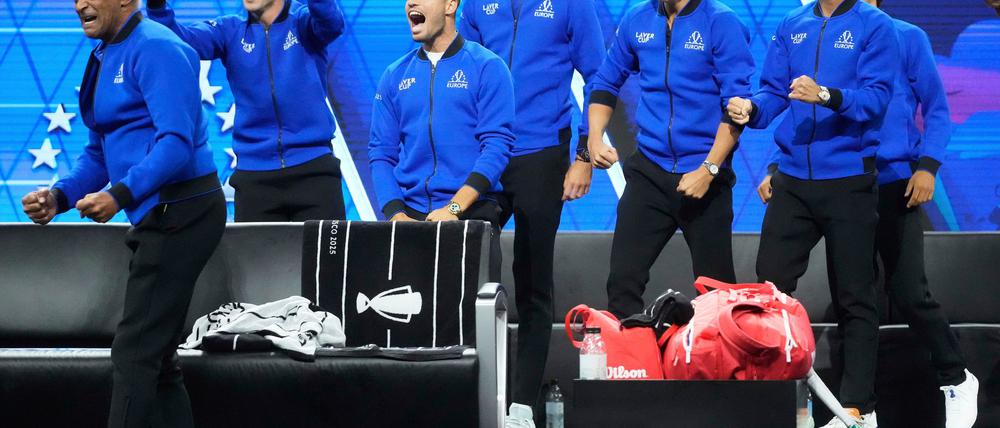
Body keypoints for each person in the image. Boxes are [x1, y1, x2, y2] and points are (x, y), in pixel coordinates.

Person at [21, 2, 225, 426]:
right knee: (157, 357)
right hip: (158, 212)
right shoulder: (102, 54)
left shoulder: (158, 48)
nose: (80, 4)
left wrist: (120, 194)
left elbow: (176, 142)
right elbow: (99, 152)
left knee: (134, 351)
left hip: (185, 210)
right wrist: (59, 197)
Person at [727, 0, 899, 426]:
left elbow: (877, 99)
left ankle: (858, 409)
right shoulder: (793, 23)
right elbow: (772, 91)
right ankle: (768, 399)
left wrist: (825, 95)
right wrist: (752, 110)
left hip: (849, 180)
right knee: (769, 291)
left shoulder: (875, 25)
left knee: (855, 296)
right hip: (793, 181)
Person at [457, 0, 604, 423]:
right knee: (466, 271)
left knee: (533, 279)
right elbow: (463, 73)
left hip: (544, 155)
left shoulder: (572, 5)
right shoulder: (476, 6)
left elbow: (598, 77)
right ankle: (466, 392)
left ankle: (521, 407)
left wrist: (583, 154)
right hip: (489, 154)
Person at [588, 0, 754, 319]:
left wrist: (709, 169)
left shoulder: (721, 22)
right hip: (649, 173)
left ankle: (716, 367)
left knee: (717, 296)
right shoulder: (639, 16)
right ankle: (636, 366)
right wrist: (595, 138)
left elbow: (736, 107)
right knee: (622, 283)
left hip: (706, 176)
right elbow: (605, 83)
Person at [147, 0, 347, 222]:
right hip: (254, 179)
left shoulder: (304, 21)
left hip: (315, 171)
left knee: (326, 257)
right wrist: (157, 6)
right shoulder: (230, 29)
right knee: (255, 257)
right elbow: (174, 43)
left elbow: (332, 22)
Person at [369, 0, 514, 230]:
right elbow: (381, 153)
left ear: (450, 5)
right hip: (410, 216)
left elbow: (497, 146)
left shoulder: (488, 66)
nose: (410, 3)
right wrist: (395, 213)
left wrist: (454, 208)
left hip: (472, 212)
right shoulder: (394, 75)